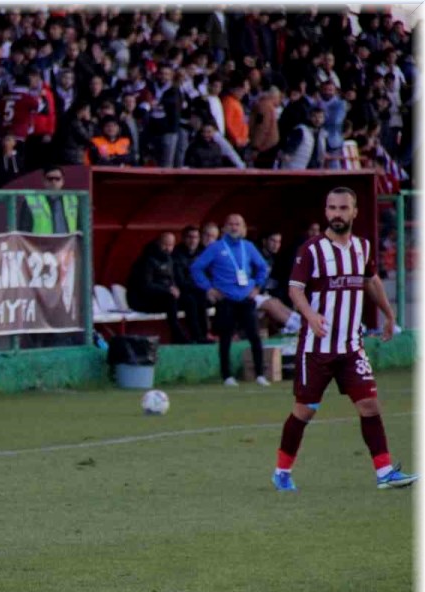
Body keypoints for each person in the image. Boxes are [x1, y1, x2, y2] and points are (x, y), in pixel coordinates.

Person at [271, 187, 416, 492]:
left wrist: (389, 316)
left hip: (351, 347)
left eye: (343, 208)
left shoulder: (362, 247)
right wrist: (311, 315)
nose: (337, 214)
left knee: (370, 405)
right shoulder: (311, 250)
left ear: (354, 212)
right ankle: (282, 471)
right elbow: (295, 288)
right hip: (316, 348)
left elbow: (371, 280)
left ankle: (385, 472)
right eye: (332, 208)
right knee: (305, 410)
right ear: (326, 212)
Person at [191, 213, 270, 387]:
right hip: (226, 299)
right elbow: (196, 268)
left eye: (238, 224)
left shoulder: (248, 247)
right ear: (224, 228)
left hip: (246, 298)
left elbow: (263, 267)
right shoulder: (216, 247)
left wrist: (257, 287)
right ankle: (227, 376)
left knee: (254, 336)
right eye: (231, 224)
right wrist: (209, 288)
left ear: (243, 228)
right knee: (225, 337)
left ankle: (260, 375)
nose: (234, 227)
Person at [126, 232, 207, 344]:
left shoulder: (169, 259)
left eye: (171, 245)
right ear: (158, 243)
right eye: (165, 244)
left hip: (163, 298)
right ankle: (177, 334)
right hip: (143, 301)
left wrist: (176, 288)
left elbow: (171, 280)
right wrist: (168, 290)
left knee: (190, 300)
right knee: (170, 299)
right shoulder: (146, 260)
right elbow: (145, 286)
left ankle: (198, 335)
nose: (168, 248)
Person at [19, 166, 79, 234]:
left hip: (67, 244)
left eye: (57, 179)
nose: (53, 182)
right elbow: (23, 231)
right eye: (50, 179)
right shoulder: (30, 201)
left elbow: (80, 227)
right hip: (40, 244)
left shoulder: (73, 200)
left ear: (62, 181)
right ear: (44, 181)